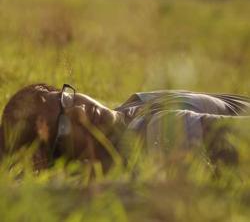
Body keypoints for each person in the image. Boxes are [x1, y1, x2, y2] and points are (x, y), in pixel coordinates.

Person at [1, 83, 250, 170]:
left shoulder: (132, 106)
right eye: (63, 126)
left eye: (63, 99)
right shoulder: (154, 133)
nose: (78, 110)